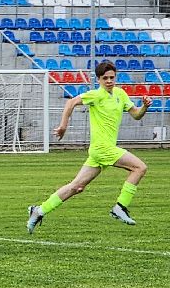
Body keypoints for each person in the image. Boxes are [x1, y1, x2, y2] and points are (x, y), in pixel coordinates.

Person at [28, 60, 151, 232]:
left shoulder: (120, 94)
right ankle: (120, 207)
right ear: (99, 79)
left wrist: (144, 106)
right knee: (139, 168)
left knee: (76, 187)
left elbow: (136, 115)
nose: (109, 81)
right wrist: (63, 125)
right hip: (103, 149)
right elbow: (70, 103)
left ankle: (39, 210)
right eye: (105, 78)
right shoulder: (96, 95)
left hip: (100, 151)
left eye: (112, 77)